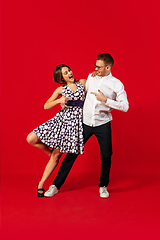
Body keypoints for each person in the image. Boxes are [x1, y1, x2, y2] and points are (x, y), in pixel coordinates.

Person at [44, 53, 129, 198]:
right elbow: (80, 93)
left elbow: (125, 106)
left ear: (108, 67)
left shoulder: (116, 84)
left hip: (103, 123)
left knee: (106, 156)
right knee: (71, 154)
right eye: (95, 65)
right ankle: (55, 186)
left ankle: (103, 186)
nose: (95, 68)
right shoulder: (91, 77)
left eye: (99, 67)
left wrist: (106, 100)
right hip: (85, 122)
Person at [26, 64, 86, 197]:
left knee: (56, 156)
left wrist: (95, 73)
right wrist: (59, 100)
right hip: (60, 121)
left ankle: (41, 184)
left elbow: (93, 85)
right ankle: (49, 153)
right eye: (65, 72)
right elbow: (46, 105)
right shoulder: (61, 89)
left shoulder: (82, 82)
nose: (69, 73)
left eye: (69, 70)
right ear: (62, 78)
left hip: (73, 125)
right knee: (31, 138)